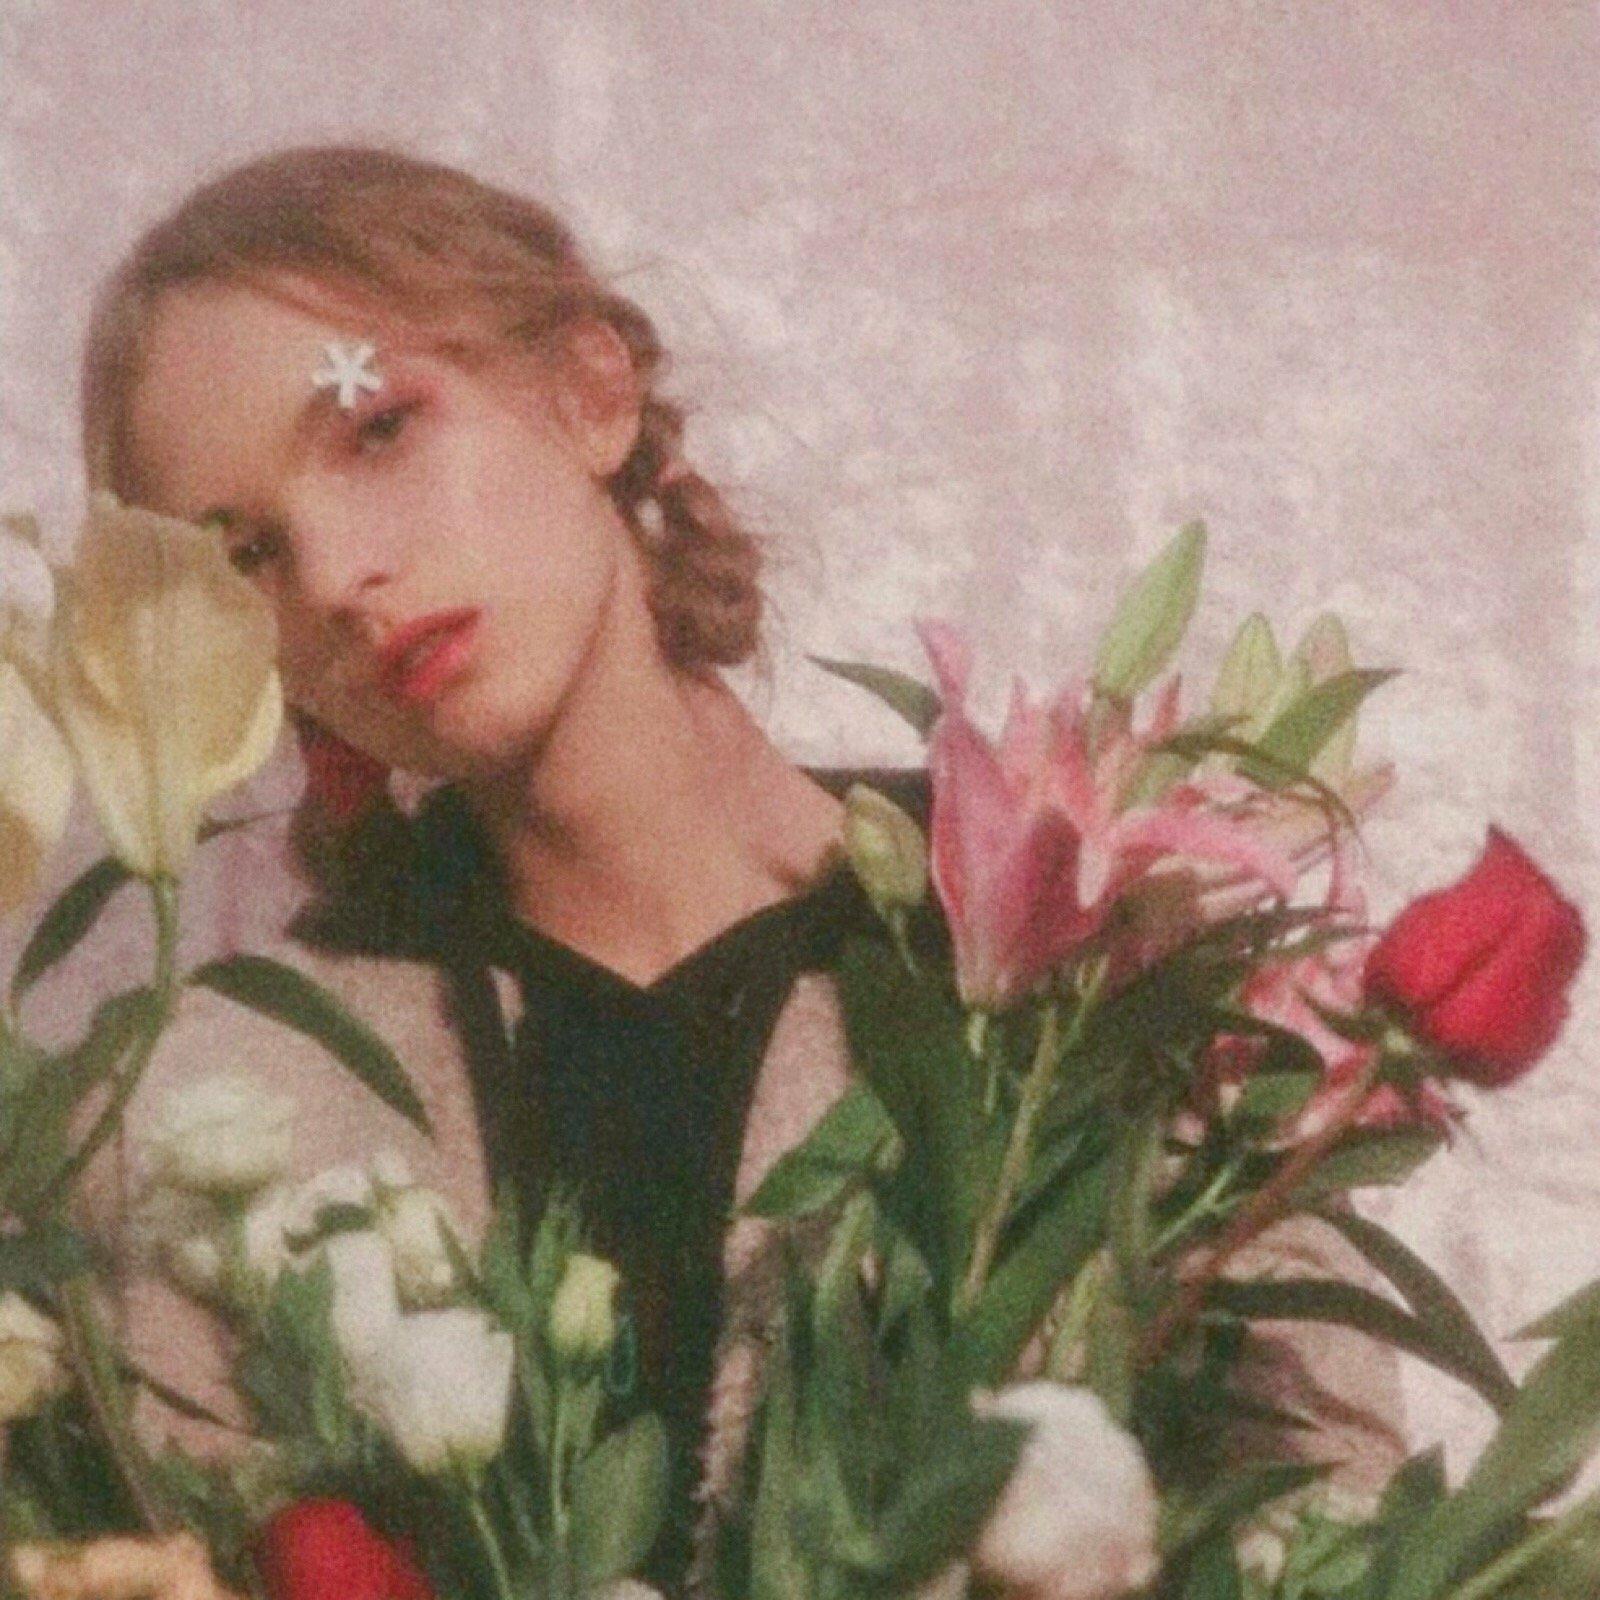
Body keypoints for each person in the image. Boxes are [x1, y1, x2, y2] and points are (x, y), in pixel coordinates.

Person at [12, 145, 1406, 1600]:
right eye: (246, 555)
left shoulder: (1081, 960)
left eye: (376, 431)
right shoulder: (217, 1114)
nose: (336, 576)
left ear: (590, 392)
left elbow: (1341, 1523)